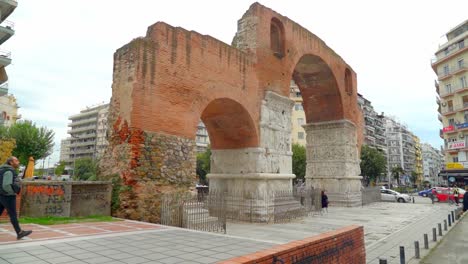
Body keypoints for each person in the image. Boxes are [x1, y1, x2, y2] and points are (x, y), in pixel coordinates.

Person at [0, 157, 32, 240]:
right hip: (8, 196)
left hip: (1, 195)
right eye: (16, 160)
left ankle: (19, 232)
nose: (18, 162)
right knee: (13, 215)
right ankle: (19, 232)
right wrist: (11, 192)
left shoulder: (1, 169)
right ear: (11, 162)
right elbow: (6, 185)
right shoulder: (9, 171)